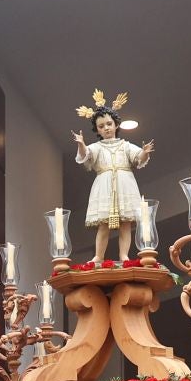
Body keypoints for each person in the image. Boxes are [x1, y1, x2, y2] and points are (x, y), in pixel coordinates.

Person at [70, 106, 156, 264]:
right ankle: (99, 255)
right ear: (97, 130)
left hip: (125, 184)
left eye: (109, 124)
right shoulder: (96, 147)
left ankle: (124, 255)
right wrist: (81, 144)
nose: (106, 128)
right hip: (104, 186)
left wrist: (145, 152)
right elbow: (84, 156)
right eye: (101, 126)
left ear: (116, 124)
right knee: (104, 224)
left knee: (125, 224)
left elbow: (139, 159)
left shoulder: (126, 145)